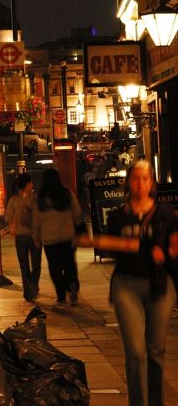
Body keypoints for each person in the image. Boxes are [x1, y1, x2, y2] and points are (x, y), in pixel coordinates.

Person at [79, 159, 178, 406]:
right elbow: (111, 247)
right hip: (127, 284)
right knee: (135, 350)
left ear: (152, 183)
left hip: (159, 284)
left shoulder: (166, 213)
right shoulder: (117, 217)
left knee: (155, 349)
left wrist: (167, 252)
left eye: (145, 178)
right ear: (128, 183)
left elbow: (175, 246)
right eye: (136, 178)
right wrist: (122, 245)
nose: (140, 184)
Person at [32, 168, 83, 305]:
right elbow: (77, 213)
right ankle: (72, 285)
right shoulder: (67, 194)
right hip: (67, 236)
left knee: (55, 268)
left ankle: (61, 296)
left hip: (49, 240)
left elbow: (36, 222)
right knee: (69, 264)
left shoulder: (40, 199)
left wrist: (36, 239)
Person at [5, 172, 42, 302]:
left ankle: (28, 290)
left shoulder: (13, 200)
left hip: (20, 237)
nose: (32, 184)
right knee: (36, 265)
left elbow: (8, 217)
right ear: (27, 184)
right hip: (34, 236)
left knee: (24, 265)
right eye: (30, 182)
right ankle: (32, 286)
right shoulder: (36, 198)